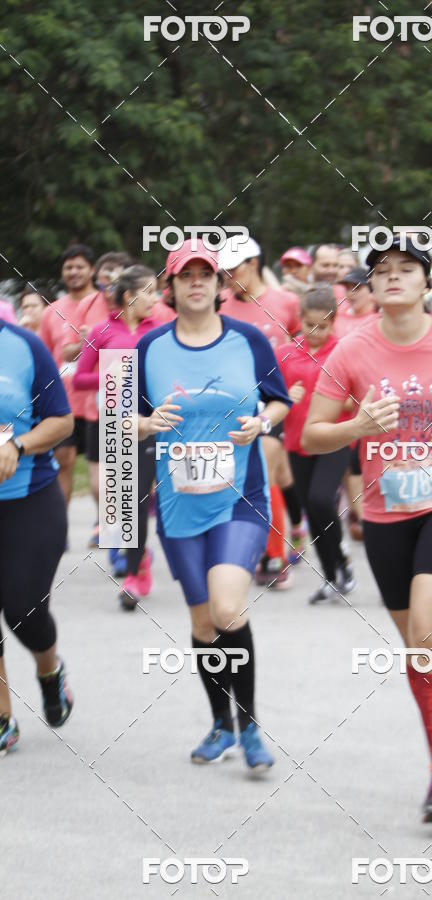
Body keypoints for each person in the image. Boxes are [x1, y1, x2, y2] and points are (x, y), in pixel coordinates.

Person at [303, 236, 432, 821]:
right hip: (384, 514)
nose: (394, 277)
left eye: (408, 269)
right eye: (382, 271)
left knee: (429, 631)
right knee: (419, 647)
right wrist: (357, 426)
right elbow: (312, 435)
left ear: (427, 282)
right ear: (371, 287)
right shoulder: (351, 351)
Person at [136, 239, 291, 770]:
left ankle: (248, 727)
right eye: (186, 275)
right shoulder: (148, 348)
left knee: (228, 609)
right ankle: (220, 724)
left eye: (207, 274)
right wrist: (145, 424)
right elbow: (119, 421)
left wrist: (262, 423)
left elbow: (277, 401)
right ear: (171, 287)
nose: (197, 282)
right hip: (179, 502)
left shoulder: (248, 339)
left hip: (240, 496)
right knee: (203, 625)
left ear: (222, 286)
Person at [0, 319, 75, 754]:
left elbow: (62, 421)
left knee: (24, 608)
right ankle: (3, 717)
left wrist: (18, 445)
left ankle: (50, 670)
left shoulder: (23, 346)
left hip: (30, 496)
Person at [219, 236, 304, 588]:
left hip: (273, 402)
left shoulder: (286, 302)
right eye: (222, 272)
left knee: (266, 474)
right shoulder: (218, 305)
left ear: (253, 264)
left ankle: (274, 557)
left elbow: (302, 343)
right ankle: (294, 525)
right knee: (271, 477)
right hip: (230, 405)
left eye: (233, 269)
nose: (226, 277)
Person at [73, 265, 159, 608]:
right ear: (129, 296)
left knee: (141, 497)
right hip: (116, 420)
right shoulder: (102, 330)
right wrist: (110, 374)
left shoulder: (161, 329)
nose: (156, 299)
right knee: (126, 498)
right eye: (150, 292)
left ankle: (138, 569)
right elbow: (79, 379)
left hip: (155, 419)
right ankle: (138, 567)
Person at [276, 286, 356, 603]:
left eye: (323, 326)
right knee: (312, 507)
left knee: (322, 499)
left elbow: (360, 393)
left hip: (334, 438)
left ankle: (341, 562)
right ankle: (334, 575)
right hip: (298, 442)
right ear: (300, 320)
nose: (315, 332)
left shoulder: (344, 351)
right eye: (310, 325)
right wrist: (285, 398)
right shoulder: (285, 353)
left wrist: (348, 403)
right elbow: (269, 396)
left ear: (333, 323)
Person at [64, 251, 134, 548]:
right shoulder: (88, 307)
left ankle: (126, 549)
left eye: (114, 284)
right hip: (99, 409)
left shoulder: (146, 318)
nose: (108, 291)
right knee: (100, 484)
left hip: (136, 411)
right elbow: (72, 358)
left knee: (129, 483)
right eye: (104, 283)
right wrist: (84, 343)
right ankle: (110, 524)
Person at [39, 244, 95, 515]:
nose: (73, 272)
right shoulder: (52, 311)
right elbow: (45, 357)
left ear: (91, 270)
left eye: (79, 266)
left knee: (105, 464)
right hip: (64, 401)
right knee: (63, 459)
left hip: (100, 400)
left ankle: (105, 527)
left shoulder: (104, 304)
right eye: (68, 267)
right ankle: (59, 526)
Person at [333, 267, 379, 541]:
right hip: (340, 400)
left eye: (357, 288)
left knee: (368, 459)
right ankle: (359, 514)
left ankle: (366, 514)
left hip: (370, 398)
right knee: (349, 463)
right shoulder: (337, 319)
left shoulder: (378, 319)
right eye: (348, 287)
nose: (351, 293)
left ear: (370, 290)